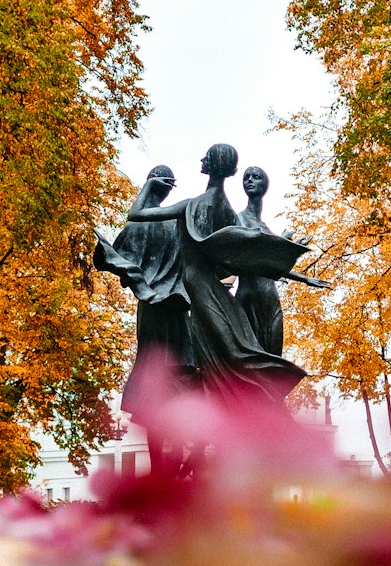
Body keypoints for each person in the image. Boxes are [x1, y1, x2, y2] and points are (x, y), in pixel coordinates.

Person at [126, 144, 307, 406]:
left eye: (206, 157)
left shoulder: (192, 205)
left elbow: (136, 214)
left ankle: (251, 407)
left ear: (208, 165)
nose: (202, 159)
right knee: (231, 352)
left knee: (231, 354)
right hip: (208, 291)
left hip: (201, 292)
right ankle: (248, 407)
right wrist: (292, 269)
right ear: (233, 171)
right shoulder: (227, 212)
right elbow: (246, 259)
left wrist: (150, 185)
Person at [93, 165, 194, 472]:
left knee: (156, 384)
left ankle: (162, 465)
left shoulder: (141, 225)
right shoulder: (177, 225)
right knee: (176, 382)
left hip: (154, 311)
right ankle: (172, 461)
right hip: (176, 312)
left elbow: (110, 258)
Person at [235, 166, 329, 356]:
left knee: (275, 357)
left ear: (265, 185)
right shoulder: (238, 220)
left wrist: (305, 278)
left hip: (270, 298)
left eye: (256, 177)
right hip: (249, 298)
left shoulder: (265, 227)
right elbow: (253, 260)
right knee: (254, 360)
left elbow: (271, 266)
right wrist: (282, 245)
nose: (250, 180)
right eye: (246, 177)